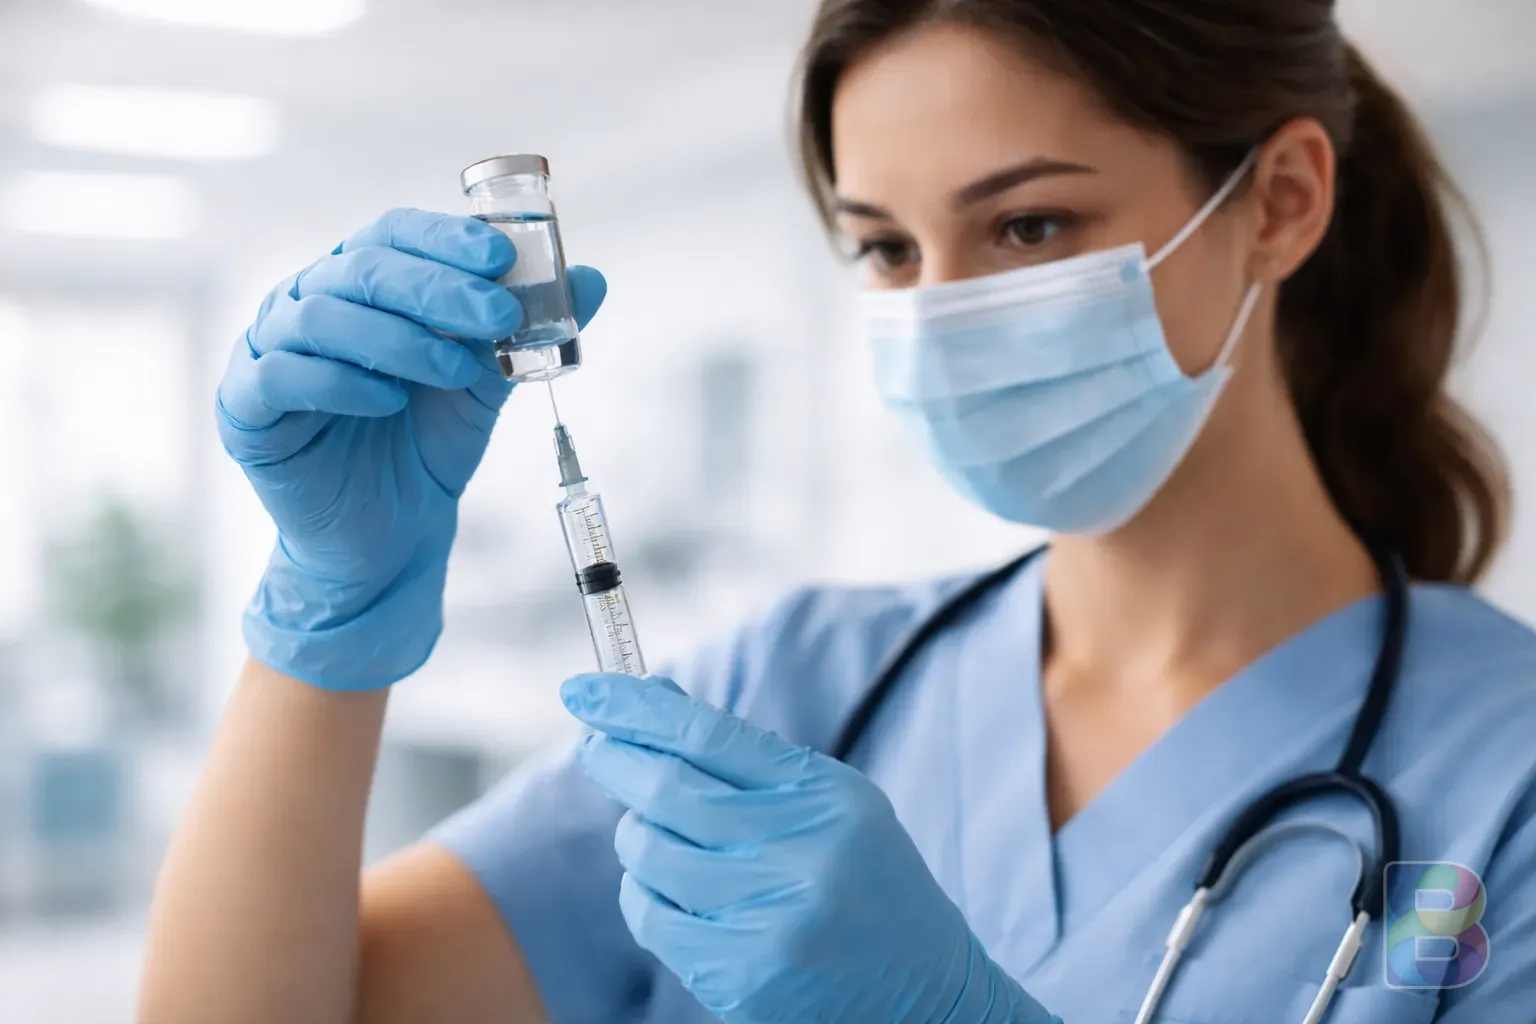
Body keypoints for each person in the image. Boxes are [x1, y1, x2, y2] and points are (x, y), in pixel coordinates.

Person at [136, 1, 1536, 1022]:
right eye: (884, 246)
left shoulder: (1505, 779)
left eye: (1030, 226)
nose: (938, 312)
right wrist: (324, 614)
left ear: (1280, 203)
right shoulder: (793, 688)